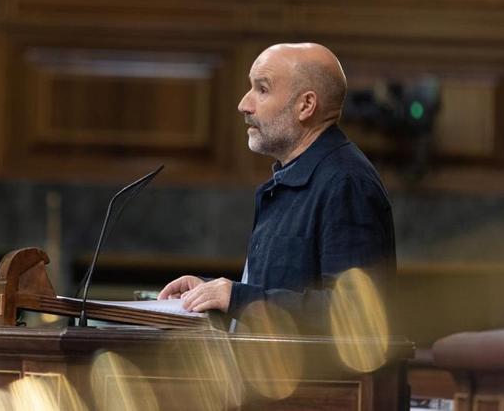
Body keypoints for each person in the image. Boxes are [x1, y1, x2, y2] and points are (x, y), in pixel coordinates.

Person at [158, 42, 395, 333]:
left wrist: (240, 298)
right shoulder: (296, 175)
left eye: (262, 89)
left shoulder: (345, 183)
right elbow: (285, 287)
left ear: (305, 105)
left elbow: (356, 314)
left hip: (320, 380)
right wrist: (213, 293)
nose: (244, 104)